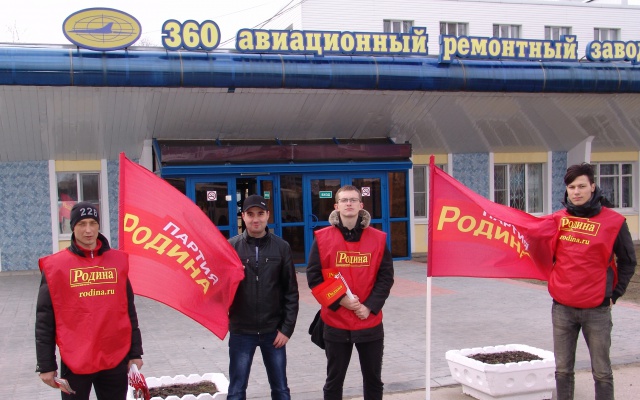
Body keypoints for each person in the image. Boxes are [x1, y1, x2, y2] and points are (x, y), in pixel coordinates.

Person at [35, 202, 144, 400]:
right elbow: (44, 319)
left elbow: (128, 310)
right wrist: (46, 364)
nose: (88, 230)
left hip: (114, 357)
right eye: (82, 224)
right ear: (72, 227)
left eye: (93, 223)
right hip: (75, 359)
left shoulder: (117, 262)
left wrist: (135, 352)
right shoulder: (56, 267)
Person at [549, 163, 636, 400]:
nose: (576, 192)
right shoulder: (557, 220)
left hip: (597, 309)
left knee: (602, 372)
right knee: (563, 370)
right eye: (571, 187)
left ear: (593, 187)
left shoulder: (614, 222)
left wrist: (614, 294)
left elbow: (628, 261)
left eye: (581, 186)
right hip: (562, 308)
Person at [307, 185, 394, 400]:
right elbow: (314, 278)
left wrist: (370, 306)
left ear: (361, 205)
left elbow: (385, 277)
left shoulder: (378, 238)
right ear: (336, 206)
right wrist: (341, 301)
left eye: (353, 200)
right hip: (335, 321)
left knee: (373, 380)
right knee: (334, 381)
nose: (349, 204)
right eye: (344, 200)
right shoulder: (322, 238)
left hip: (369, 322)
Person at [227, 194, 299, 400]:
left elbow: (291, 292)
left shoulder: (281, 247)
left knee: (281, 389)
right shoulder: (231, 247)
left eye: (260, 213)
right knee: (236, 390)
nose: (255, 219)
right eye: (250, 214)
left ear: (268, 215)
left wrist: (286, 329)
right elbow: (220, 288)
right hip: (241, 331)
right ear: (243, 216)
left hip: (273, 332)